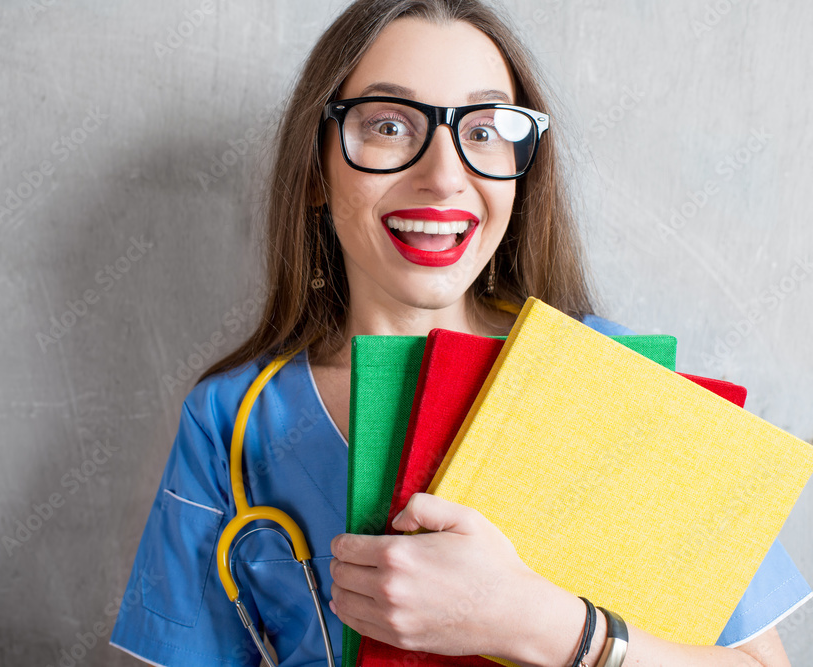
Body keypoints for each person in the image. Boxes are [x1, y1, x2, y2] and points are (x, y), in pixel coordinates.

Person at [110, 1, 811, 665]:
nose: (443, 176)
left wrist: (535, 621)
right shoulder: (233, 420)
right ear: (317, 169)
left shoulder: (621, 381)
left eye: (483, 131)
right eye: (389, 126)